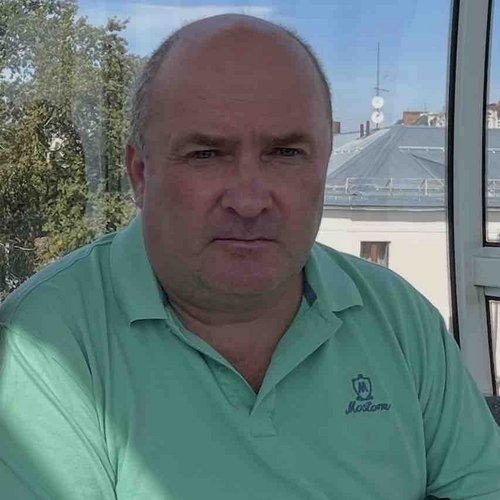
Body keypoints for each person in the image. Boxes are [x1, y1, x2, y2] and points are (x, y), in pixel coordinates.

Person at [0, 13, 499, 500]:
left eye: (285, 153)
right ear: (140, 174)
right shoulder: (49, 341)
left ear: (324, 163)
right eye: (206, 154)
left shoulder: (398, 317)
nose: (249, 200)